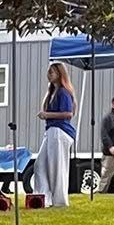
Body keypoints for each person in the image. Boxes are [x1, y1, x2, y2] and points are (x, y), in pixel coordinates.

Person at [36, 60, 76, 207]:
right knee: (40, 164)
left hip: (59, 131)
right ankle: (44, 198)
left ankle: (59, 200)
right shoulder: (53, 92)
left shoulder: (63, 92)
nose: (49, 75)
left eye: (51, 72)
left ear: (59, 74)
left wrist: (47, 115)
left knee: (57, 167)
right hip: (52, 131)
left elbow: (68, 114)